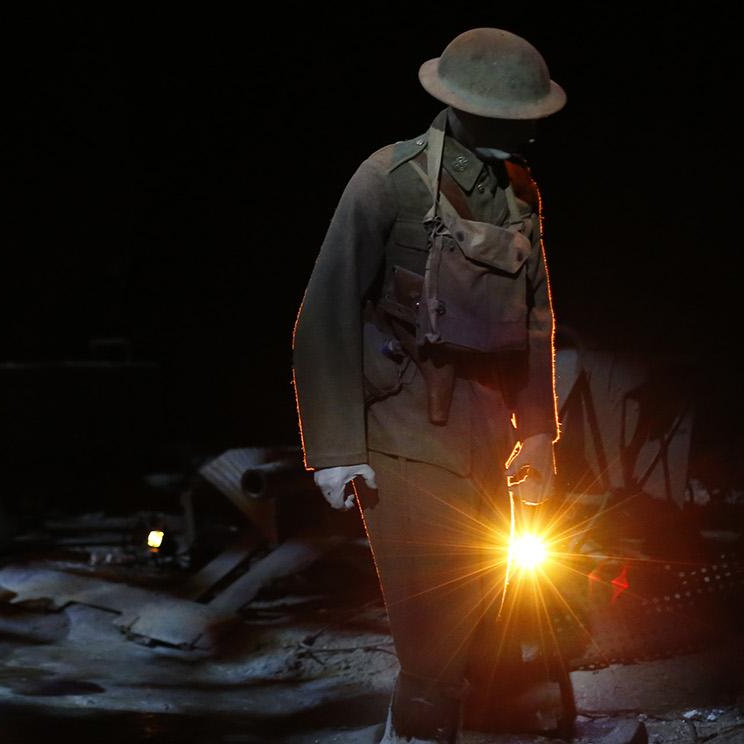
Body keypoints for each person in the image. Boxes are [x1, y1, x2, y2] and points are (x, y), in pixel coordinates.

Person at [291, 27, 566, 743]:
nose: (529, 130)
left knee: (485, 622)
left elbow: (534, 316)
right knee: (433, 640)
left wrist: (537, 431)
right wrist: (336, 446)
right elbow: (325, 312)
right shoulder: (389, 179)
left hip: (485, 437)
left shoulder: (517, 192)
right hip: (405, 432)